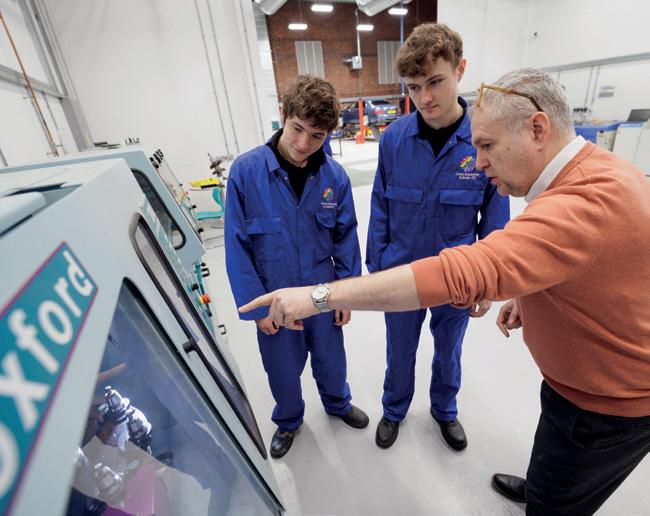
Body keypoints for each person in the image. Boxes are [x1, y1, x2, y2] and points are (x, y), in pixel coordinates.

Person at [239, 68, 650, 514]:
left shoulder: (582, 203)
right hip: (571, 388)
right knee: (389, 356)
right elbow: (580, 258)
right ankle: (519, 476)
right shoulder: (596, 173)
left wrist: (321, 295)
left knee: (555, 502)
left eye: (487, 146)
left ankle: (500, 459)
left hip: (605, 404)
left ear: (537, 129)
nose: (479, 162)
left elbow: (467, 268)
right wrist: (528, 292)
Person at [366, 22, 509, 450]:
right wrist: (378, 267)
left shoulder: (483, 140)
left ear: (460, 69)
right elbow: (379, 205)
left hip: (457, 276)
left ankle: (445, 410)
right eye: (413, 87)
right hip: (401, 270)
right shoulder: (394, 139)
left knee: (449, 349)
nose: (424, 98)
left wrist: (489, 279)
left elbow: (495, 217)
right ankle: (394, 409)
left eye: (434, 82)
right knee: (399, 348)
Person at [224, 75, 369, 459]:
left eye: (317, 136)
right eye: (297, 129)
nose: (304, 144)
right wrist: (257, 309)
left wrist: (346, 293)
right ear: (283, 115)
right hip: (274, 295)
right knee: (282, 368)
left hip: (322, 292)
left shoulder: (334, 177)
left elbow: (346, 237)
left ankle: (337, 403)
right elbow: (237, 247)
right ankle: (288, 420)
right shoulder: (245, 173)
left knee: (331, 359)